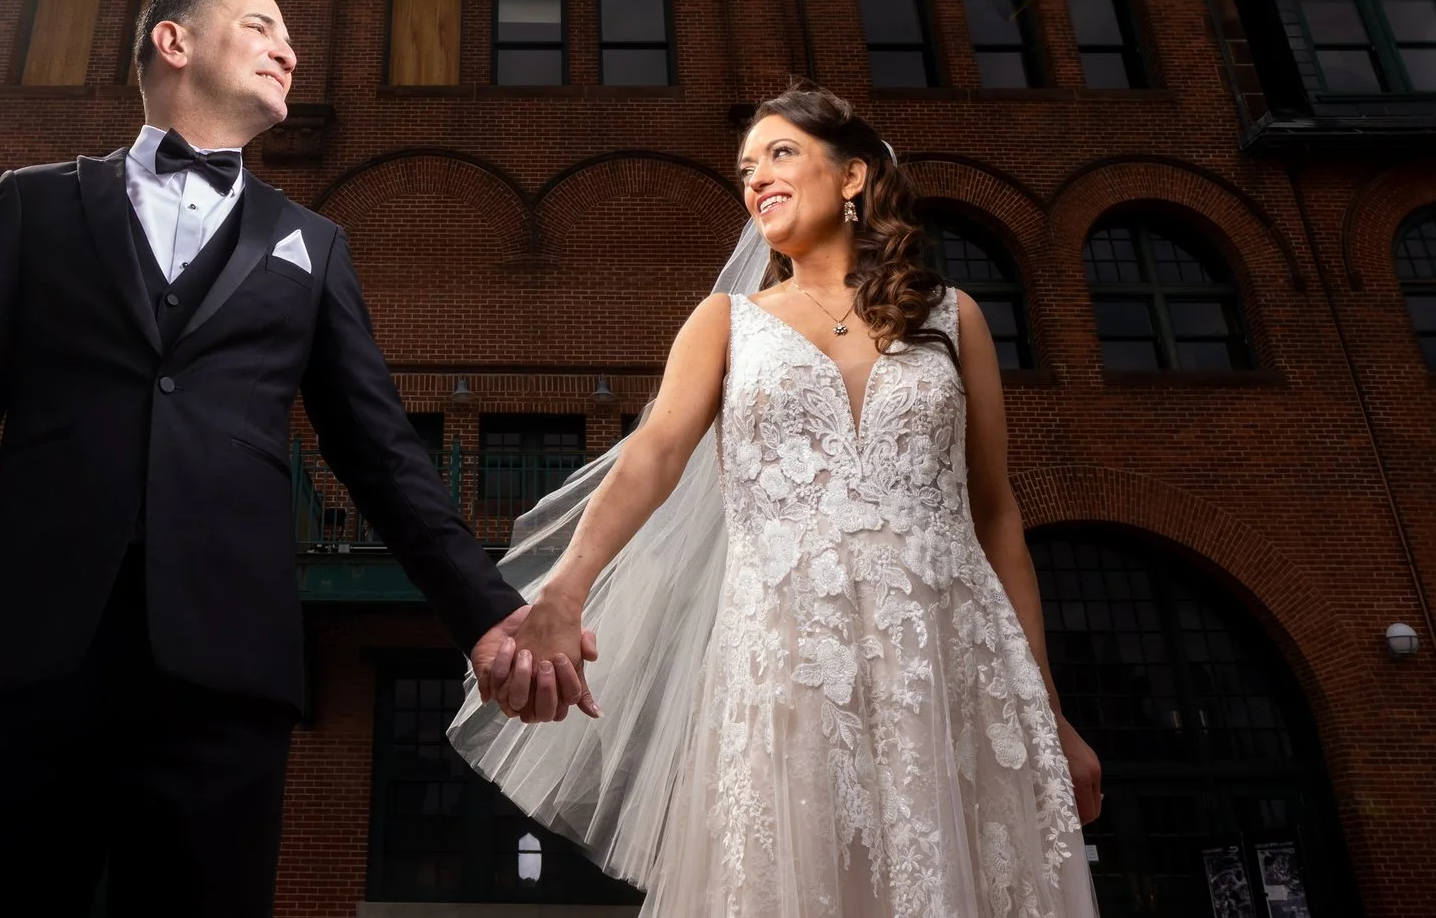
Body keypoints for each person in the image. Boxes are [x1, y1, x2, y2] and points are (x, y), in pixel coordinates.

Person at [0, 0, 579, 916]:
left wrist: (485, 612)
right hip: (26, 655)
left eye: (290, 37)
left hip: (226, 670)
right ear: (172, 42)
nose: (290, 49)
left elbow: (382, 454)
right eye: (261, 25)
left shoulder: (313, 244)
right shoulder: (34, 205)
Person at [455, 84, 1106, 918]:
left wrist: (1048, 708)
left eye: (781, 154)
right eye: (745, 167)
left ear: (853, 176)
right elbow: (653, 457)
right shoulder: (727, 322)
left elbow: (994, 514)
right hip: (794, 654)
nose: (755, 176)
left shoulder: (956, 318)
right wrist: (565, 590)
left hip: (951, 654)